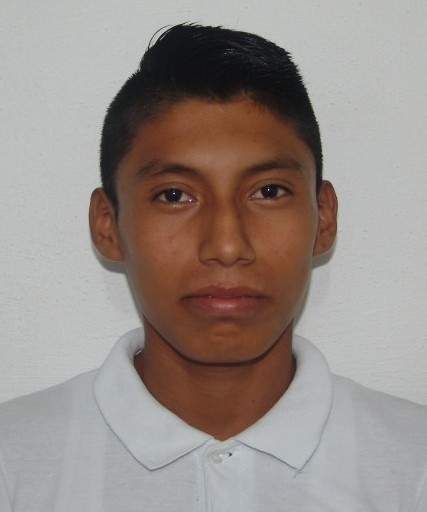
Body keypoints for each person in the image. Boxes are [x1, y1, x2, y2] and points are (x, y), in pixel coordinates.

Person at [0, 23, 426, 512]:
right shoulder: (14, 466)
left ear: (323, 218)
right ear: (108, 225)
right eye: (174, 195)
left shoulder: (413, 468)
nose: (226, 246)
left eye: (268, 191)